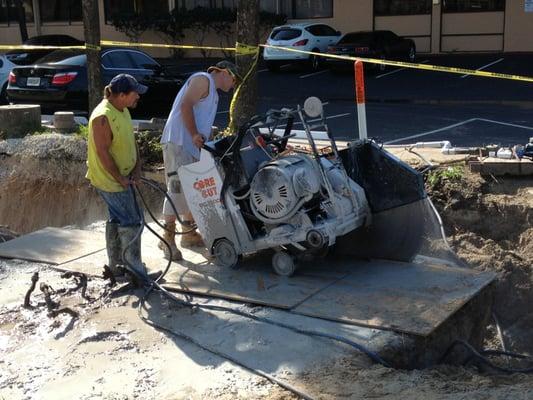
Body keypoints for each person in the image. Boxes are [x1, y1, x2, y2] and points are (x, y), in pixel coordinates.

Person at [159, 60, 241, 261]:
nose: (234, 85)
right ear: (224, 72)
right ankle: (167, 237)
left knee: (192, 188)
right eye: (234, 79)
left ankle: (188, 234)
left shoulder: (212, 92)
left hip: (190, 146)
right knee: (177, 189)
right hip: (179, 142)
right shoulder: (202, 80)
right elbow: (186, 105)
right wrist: (195, 133)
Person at [86, 73, 149, 284]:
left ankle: (117, 267)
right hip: (110, 180)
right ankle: (134, 270)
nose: (138, 97)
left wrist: (137, 169)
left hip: (123, 177)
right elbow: (103, 153)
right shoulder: (102, 117)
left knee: (117, 219)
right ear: (122, 95)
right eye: (135, 94)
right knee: (132, 220)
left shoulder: (122, 110)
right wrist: (120, 178)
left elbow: (131, 142)